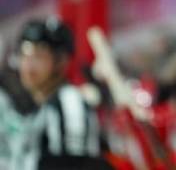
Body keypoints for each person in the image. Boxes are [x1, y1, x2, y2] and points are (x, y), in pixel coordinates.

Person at [0, 17, 109, 170]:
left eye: (39, 56)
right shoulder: (42, 108)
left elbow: (75, 164)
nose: (28, 65)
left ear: (61, 61)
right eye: (24, 55)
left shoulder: (69, 103)